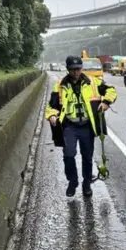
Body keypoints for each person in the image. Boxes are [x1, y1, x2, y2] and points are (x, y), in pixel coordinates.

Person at [45, 55, 117, 197]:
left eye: (78, 69)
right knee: (69, 154)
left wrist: (106, 102)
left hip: (86, 126)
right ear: (68, 69)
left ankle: (86, 183)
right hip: (69, 126)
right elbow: (52, 105)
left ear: (81, 68)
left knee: (87, 156)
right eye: (73, 69)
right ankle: (73, 181)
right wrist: (52, 115)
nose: (76, 72)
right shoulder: (60, 85)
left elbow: (111, 90)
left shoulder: (93, 82)